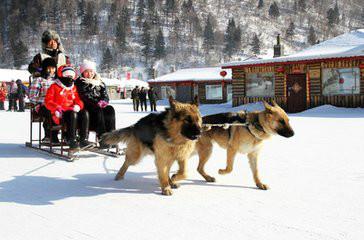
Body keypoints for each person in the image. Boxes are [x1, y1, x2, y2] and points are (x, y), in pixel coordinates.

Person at [45, 65, 92, 150]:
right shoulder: (54, 86)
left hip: (72, 110)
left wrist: (78, 105)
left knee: (85, 112)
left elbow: (78, 100)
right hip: (60, 113)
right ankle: (71, 139)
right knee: (72, 114)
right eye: (67, 76)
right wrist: (56, 108)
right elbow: (48, 101)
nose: (69, 78)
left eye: (71, 76)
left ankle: (83, 139)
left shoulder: (73, 87)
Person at [75, 60, 116, 147]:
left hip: (98, 107)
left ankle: (111, 137)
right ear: (82, 73)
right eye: (86, 72)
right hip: (86, 109)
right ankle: (102, 138)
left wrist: (104, 101)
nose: (89, 74)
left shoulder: (100, 82)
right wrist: (97, 103)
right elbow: (84, 96)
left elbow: (105, 95)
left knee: (110, 109)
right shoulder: (80, 82)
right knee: (98, 110)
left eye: (91, 71)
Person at [29, 58, 58, 143]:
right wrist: (43, 100)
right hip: (42, 105)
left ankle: (66, 135)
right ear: (45, 68)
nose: (51, 70)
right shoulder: (39, 80)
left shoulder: (57, 81)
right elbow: (32, 96)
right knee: (51, 111)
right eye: (49, 68)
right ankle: (49, 135)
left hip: (57, 104)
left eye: (53, 68)